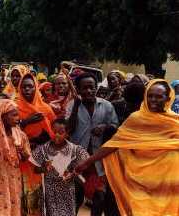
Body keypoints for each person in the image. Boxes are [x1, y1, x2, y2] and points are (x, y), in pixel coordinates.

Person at [75, 79, 179, 215]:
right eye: (150, 96)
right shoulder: (136, 119)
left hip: (166, 183)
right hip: (137, 180)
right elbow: (113, 145)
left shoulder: (174, 121)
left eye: (159, 96)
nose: (153, 99)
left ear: (168, 98)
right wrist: (88, 161)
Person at [66, 73, 119, 216]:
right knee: (76, 196)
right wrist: (76, 106)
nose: (88, 91)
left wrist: (104, 126)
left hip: (97, 161)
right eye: (84, 88)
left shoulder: (106, 106)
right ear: (78, 89)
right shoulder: (72, 105)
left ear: (96, 88)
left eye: (92, 87)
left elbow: (115, 127)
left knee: (99, 196)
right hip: (77, 160)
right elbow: (68, 129)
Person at [16, 73, 56, 216]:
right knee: (19, 193)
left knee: (35, 193)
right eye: (24, 87)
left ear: (36, 88)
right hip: (19, 157)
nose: (27, 90)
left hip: (39, 158)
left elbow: (55, 133)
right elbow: (7, 132)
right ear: (19, 89)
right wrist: (25, 122)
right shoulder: (14, 107)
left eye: (30, 86)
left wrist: (42, 141)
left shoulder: (45, 109)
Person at [32, 119, 89, 216]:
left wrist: (74, 172)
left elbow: (86, 163)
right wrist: (45, 168)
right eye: (54, 132)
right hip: (49, 191)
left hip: (68, 191)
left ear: (67, 134)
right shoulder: (43, 149)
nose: (57, 135)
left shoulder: (75, 149)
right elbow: (35, 169)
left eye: (61, 132)